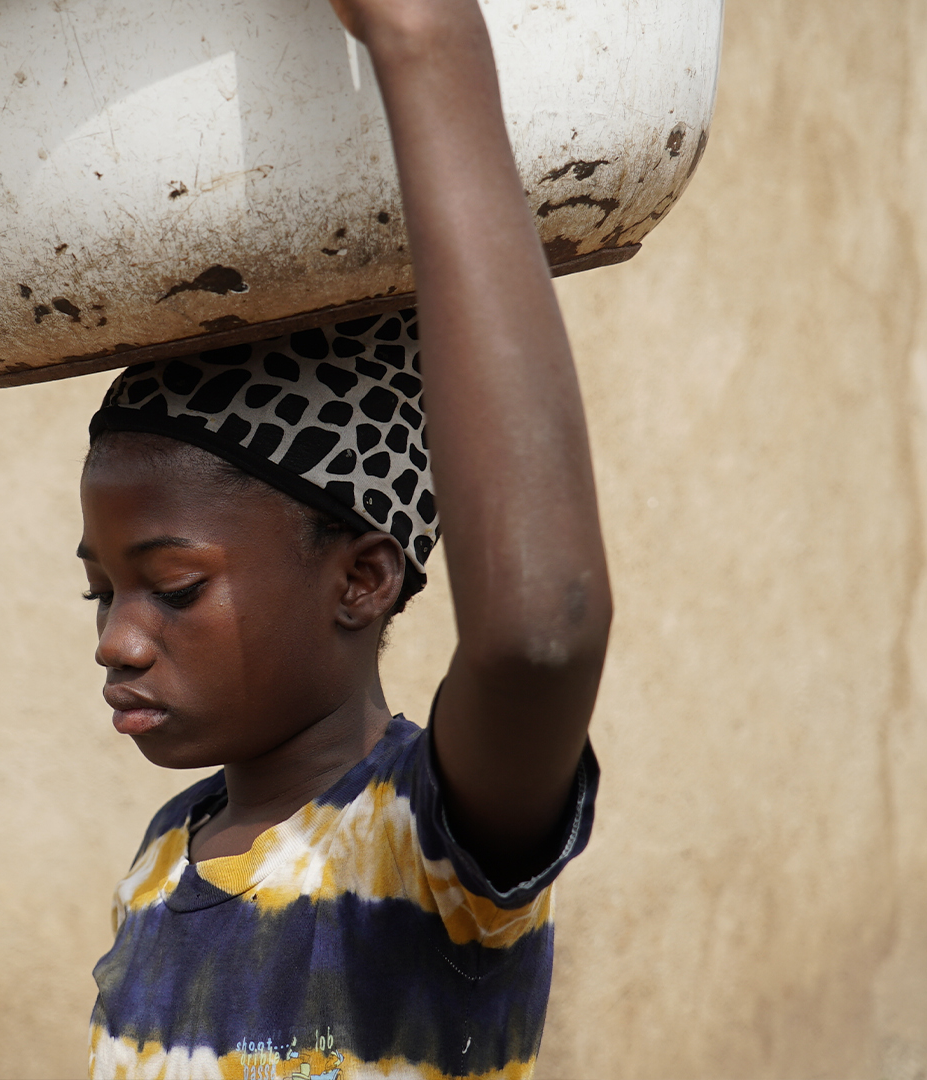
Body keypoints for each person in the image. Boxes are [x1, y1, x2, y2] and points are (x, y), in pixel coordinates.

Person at [78, 0, 611, 1075]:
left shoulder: (429, 843)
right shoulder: (166, 858)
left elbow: (539, 634)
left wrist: (427, 43)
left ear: (364, 577)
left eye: (172, 588)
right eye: (100, 592)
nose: (116, 642)